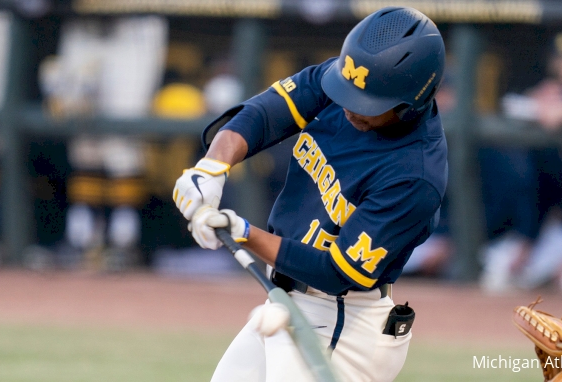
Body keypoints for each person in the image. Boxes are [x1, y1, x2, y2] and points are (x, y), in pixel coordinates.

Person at [173, 7, 446, 382]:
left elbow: (334, 272)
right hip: (289, 299)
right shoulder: (353, 78)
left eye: (369, 104)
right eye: (349, 92)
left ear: (411, 102)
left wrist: (244, 233)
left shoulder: (415, 176)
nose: (351, 107)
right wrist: (212, 167)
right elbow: (265, 113)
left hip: (342, 325)